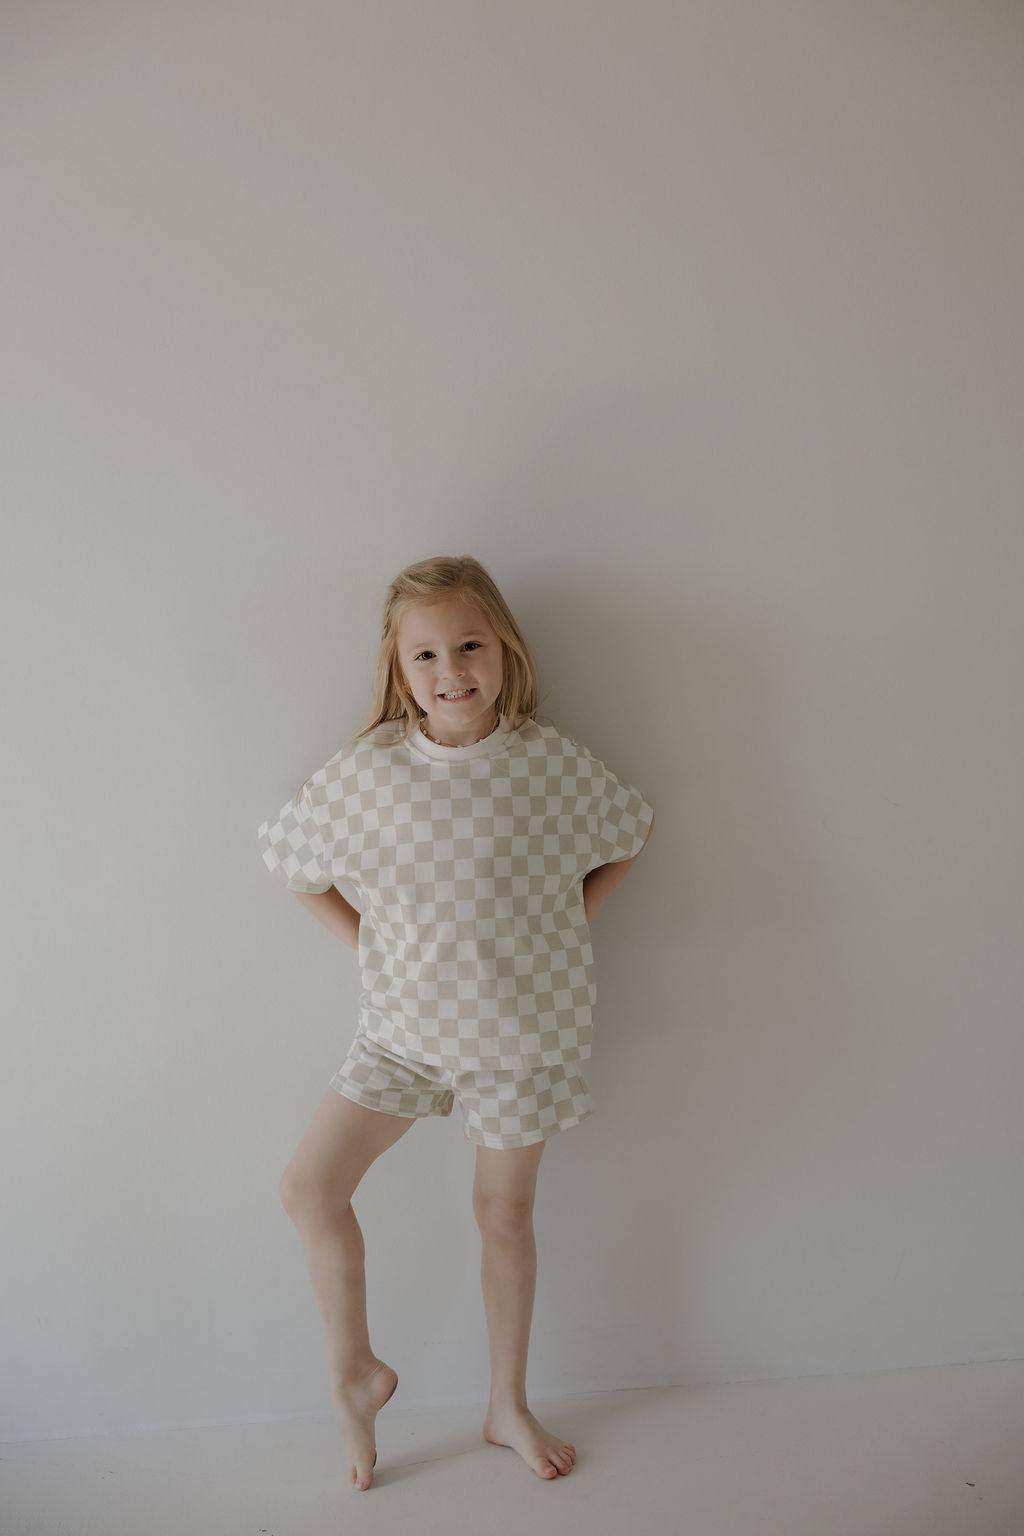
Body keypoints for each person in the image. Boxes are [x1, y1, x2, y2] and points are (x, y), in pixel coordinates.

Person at [257, 554, 655, 1492]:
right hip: (401, 1033)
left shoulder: (549, 764)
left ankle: (506, 1404)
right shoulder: (371, 772)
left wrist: (568, 924)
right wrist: (366, 943)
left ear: (505, 649)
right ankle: (354, 1372)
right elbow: (291, 864)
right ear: (401, 673)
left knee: (504, 1215)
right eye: (427, 655)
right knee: (309, 1189)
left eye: (470, 645)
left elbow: (630, 835)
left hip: (523, 1033)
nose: (452, 670)